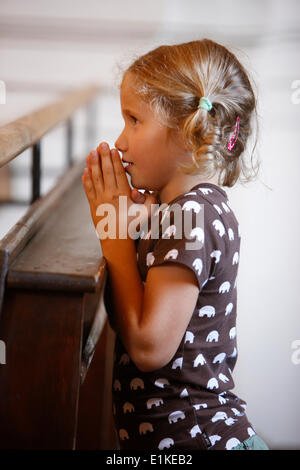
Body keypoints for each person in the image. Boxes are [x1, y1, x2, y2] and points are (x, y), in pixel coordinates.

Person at [82, 38, 269, 451]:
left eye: (134, 120)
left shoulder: (192, 216)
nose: (120, 141)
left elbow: (149, 346)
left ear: (189, 132)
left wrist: (113, 239)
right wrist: (136, 231)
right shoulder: (189, 212)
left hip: (201, 440)